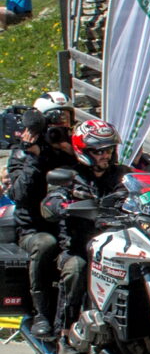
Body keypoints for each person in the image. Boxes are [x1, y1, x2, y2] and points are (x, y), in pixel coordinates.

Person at [42, 119, 130, 354]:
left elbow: (148, 187)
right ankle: (64, 335)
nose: (104, 155)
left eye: (108, 149)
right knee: (76, 269)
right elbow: (49, 202)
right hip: (80, 248)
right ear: (84, 151)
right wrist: (62, 205)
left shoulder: (123, 175)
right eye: (98, 150)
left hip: (118, 246)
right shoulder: (70, 176)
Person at [5, 92, 78, 338]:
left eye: (66, 117)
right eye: (56, 117)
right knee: (46, 244)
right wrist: (35, 157)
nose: (62, 124)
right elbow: (19, 194)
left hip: (73, 225)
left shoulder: (75, 148)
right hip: (34, 230)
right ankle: (42, 314)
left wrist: (73, 154)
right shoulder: (22, 153)